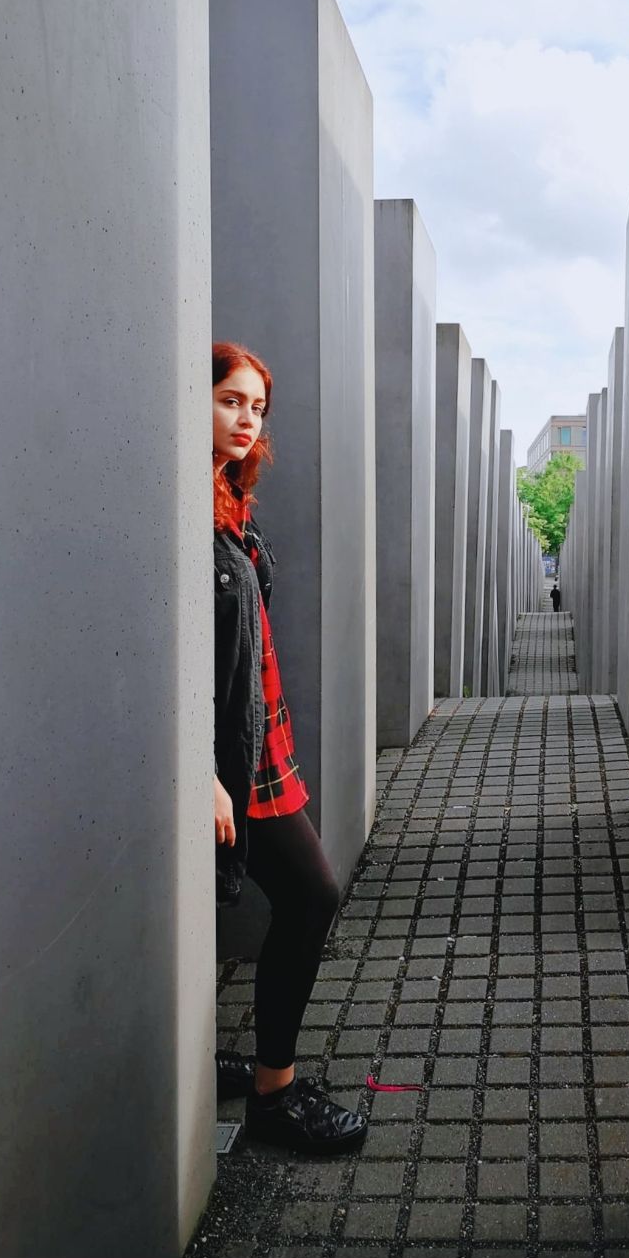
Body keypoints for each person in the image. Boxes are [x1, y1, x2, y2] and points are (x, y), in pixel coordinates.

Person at [211, 341, 366, 1155]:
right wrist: (200, 770)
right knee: (310, 895)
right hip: (228, 759)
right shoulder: (183, 509)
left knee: (302, 897)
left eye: (257, 407)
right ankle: (274, 1095)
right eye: (229, 400)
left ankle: (232, 1068)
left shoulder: (231, 502)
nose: (247, 419)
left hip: (262, 741)